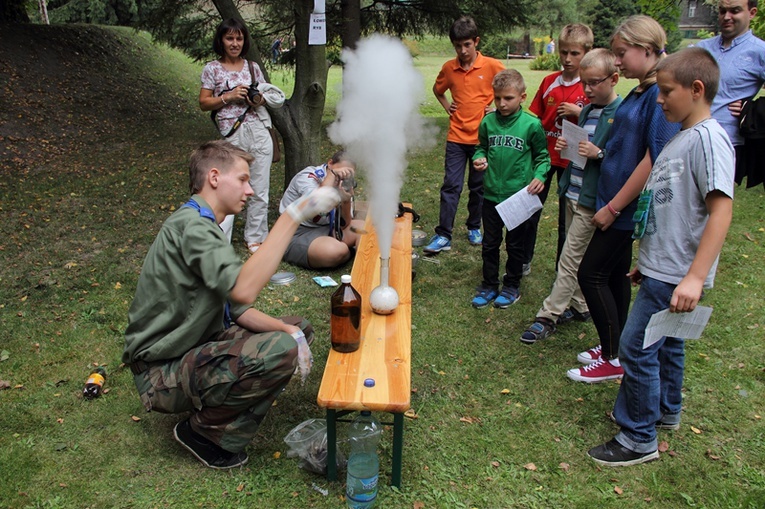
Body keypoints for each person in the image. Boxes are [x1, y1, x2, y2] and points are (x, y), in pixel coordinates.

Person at [122, 141, 341, 470]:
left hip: (195, 347)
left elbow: (232, 308)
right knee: (280, 349)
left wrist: (288, 329)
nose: (250, 190)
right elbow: (242, 292)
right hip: (160, 375)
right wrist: (294, 214)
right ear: (213, 177)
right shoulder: (192, 228)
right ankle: (204, 432)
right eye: (242, 179)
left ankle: (219, 410)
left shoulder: (202, 223)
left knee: (296, 331)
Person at [588, 47, 734, 466]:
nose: (659, 99)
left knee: (636, 347)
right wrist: (648, 259)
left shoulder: (708, 140)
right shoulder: (682, 137)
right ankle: (666, 410)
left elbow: (721, 210)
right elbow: (671, 206)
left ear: (697, 89)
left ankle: (638, 436)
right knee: (668, 344)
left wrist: (694, 276)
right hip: (661, 266)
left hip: (677, 273)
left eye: (667, 91)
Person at [569, 16, 680, 383]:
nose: (617, 61)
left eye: (621, 53)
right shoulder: (641, 88)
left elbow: (655, 157)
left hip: (624, 207)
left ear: (646, 49)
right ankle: (612, 347)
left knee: (591, 274)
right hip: (612, 200)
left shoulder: (656, 94)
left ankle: (614, 358)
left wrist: (615, 206)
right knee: (614, 274)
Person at [520, 49, 622, 343]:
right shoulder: (588, 110)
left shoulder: (621, 114)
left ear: (614, 79)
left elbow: (624, 161)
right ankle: (580, 304)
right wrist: (568, 144)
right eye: (585, 83)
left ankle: (547, 315)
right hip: (572, 190)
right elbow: (577, 151)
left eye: (593, 83)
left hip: (593, 200)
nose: (587, 90)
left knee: (568, 258)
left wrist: (598, 153)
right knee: (575, 254)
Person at [199, 18, 285, 253]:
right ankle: (220, 240)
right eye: (230, 38)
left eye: (239, 38)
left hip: (257, 130)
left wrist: (257, 99)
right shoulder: (212, 69)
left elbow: (264, 94)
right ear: (222, 40)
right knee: (226, 188)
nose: (235, 43)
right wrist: (229, 96)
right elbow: (204, 102)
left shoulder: (252, 67)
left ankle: (256, 237)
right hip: (231, 134)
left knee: (259, 188)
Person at [424, 16, 505, 254]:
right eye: (458, 46)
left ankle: (473, 227)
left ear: (476, 41)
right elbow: (438, 90)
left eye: (467, 45)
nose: (463, 50)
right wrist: (446, 105)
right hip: (456, 138)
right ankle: (443, 235)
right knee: (451, 185)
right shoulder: (449, 68)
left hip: (482, 139)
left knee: (478, 187)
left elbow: (511, 86)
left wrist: (497, 107)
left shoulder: (492, 66)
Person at [470, 69, 550, 309]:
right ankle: (489, 284)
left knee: (515, 244)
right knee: (490, 243)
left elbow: (543, 157)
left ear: (522, 97)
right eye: (497, 98)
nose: (502, 104)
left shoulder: (531, 125)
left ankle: (512, 285)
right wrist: (479, 157)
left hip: (518, 197)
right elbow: (480, 147)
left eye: (508, 98)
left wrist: (539, 176)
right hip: (492, 195)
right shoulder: (488, 122)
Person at [527, 24, 593, 274]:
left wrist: (580, 112)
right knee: (531, 209)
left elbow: (602, 122)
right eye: (564, 52)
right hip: (545, 157)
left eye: (574, 53)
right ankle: (524, 259)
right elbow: (534, 117)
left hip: (573, 160)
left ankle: (563, 269)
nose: (567, 59)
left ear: (587, 52)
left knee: (568, 221)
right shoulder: (548, 82)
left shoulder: (589, 86)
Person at [696, 0, 765, 188]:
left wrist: (751, 109)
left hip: (726, 143)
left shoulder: (759, 52)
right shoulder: (701, 48)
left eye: (734, 11)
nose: (726, 17)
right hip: (689, 136)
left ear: (751, 13)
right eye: (722, 11)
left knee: (713, 205)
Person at [279, 151, 364, 269]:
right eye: (341, 170)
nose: (343, 176)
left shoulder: (343, 184)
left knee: (365, 229)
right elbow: (316, 203)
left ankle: (360, 261)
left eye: (348, 174)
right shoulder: (308, 176)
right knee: (336, 251)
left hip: (326, 228)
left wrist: (346, 200)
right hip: (296, 232)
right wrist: (332, 175)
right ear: (330, 163)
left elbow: (345, 224)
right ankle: (347, 252)